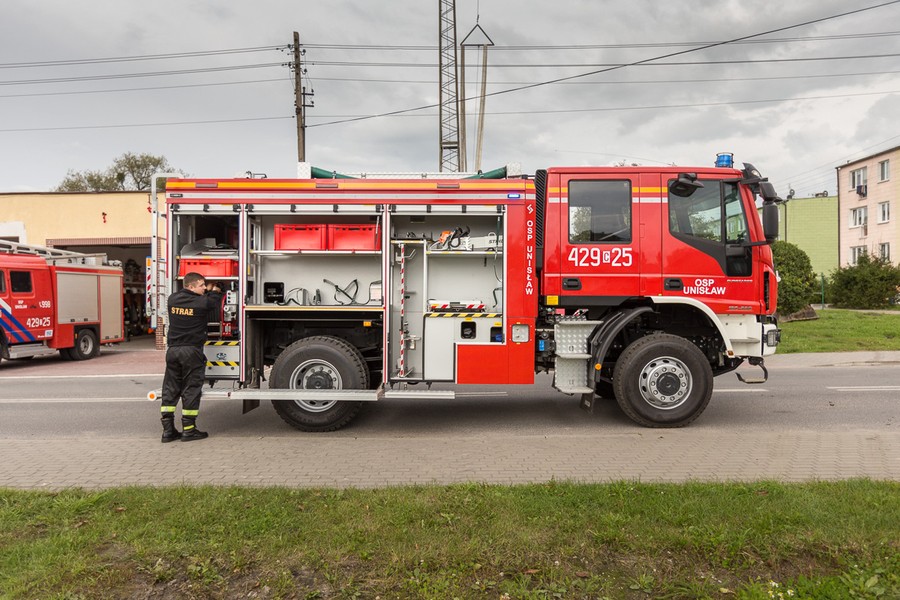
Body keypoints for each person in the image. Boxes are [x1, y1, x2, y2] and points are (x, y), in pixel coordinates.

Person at [159, 272, 221, 442]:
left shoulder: (172, 299)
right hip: (191, 351)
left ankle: (168, 431)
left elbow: (197, 300)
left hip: (173, 351)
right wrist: (215, 289)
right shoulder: (202, 302)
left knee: (170, 389)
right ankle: (189, 430)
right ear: (191, 286)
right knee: (191, 389)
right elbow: (214, 301)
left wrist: (206, 290)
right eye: (201, 285)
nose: (203, 288)